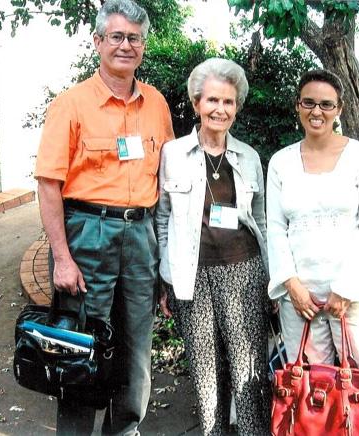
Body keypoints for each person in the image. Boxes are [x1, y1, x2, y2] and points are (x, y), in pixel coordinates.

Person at [34, 0, 174, 433]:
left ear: (144, 46)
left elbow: (170, 183)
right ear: (98, 41)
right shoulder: (71, 104)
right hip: (87, 234)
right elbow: (47, 184)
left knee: (135, 352)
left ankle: (125, 429)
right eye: (116, 36)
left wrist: (166, 263)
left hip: (141, 236)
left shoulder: (157, 105)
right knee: (79, 345)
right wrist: (61, 256)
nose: (125, 45)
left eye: (134, 38)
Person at [266, 69, 359, 435]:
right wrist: (291, 285)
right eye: (309, 102)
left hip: (351, 296)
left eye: (326, 104)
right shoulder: (280, 162)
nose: (317, 111)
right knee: (310, 390)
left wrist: (346, 287)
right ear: (297, 106)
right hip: (300, 299)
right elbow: (275, 227)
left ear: (339, 109)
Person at [156, 58, 270, 435]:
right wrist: (167, 279)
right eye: (213, 101)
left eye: (228, 102)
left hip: (244, 272)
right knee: (206, 374)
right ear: (196, 103)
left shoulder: (249, 157)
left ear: (236, 107)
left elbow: (262, 220)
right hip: (193, 278)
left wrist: (270, 279)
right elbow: (163, 219)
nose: (220, 109)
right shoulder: (173, 155)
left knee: (248, 369)